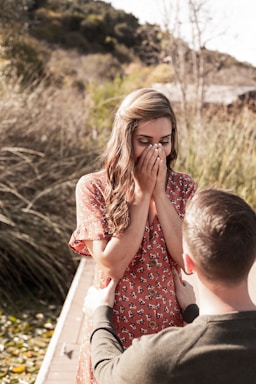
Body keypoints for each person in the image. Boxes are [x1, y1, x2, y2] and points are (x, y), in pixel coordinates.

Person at [68, 88, 196, 383]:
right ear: (125, 140)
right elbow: (111, 264)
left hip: (169, 331)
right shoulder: (93, 188)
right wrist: (140, 195)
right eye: (145, 142)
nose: (156, 151)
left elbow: (187, 259)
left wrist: (160, 196)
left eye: (164, 142)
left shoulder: (184, 187)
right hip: (111, 327)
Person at [84, 188, 256, 384]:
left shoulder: (159, 357)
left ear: (188, 262)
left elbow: (108, 372)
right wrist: (192, 312)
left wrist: (100, 316)